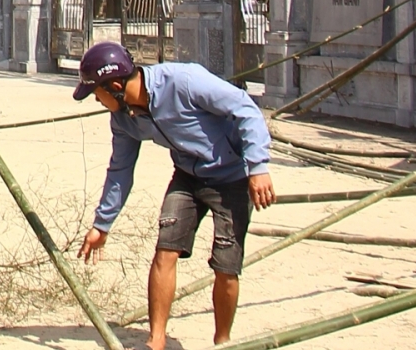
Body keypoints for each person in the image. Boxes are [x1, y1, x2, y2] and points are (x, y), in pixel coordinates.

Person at [73, 41, 276, 350]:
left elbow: (246, 109)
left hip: (232, 177)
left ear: (114, 86)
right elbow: (120, 170)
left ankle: (222, 342)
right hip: (188, 177)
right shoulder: (124, 119)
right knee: (165, 251)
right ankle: (156, 341)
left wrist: (258, 166)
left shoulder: (184, 81)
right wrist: (102, 224)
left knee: (225, 265)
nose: (97, 101)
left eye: (96, 94)